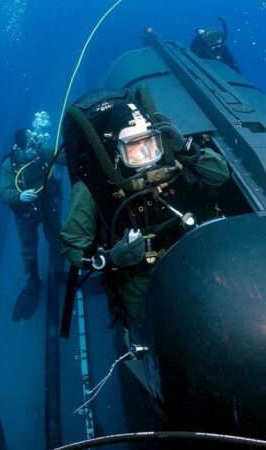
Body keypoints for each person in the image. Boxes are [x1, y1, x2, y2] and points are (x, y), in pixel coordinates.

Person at [59, 89, 230, 326]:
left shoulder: (172, 159)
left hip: (189, 255)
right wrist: (111, 258)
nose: (147, 154)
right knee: (145, 323)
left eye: (150, 142)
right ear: (117, 150)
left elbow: (220, 175)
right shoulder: (93, 186)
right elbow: (72, 246)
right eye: (135, 146)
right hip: (137, 277)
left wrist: (186, 147)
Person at [0, 112, 62, 321]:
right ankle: (32, 283)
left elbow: (62, 158)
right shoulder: (10, 164)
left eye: (34, 145)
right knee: (28, 249)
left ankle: (59, 267)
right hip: (26, 212)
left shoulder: (40, 152)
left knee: (56, 237)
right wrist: (19, 196)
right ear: (18, 149)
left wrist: (42, 149)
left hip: (46, 204)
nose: (32, 151)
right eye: (29, 148)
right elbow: (4, 192)